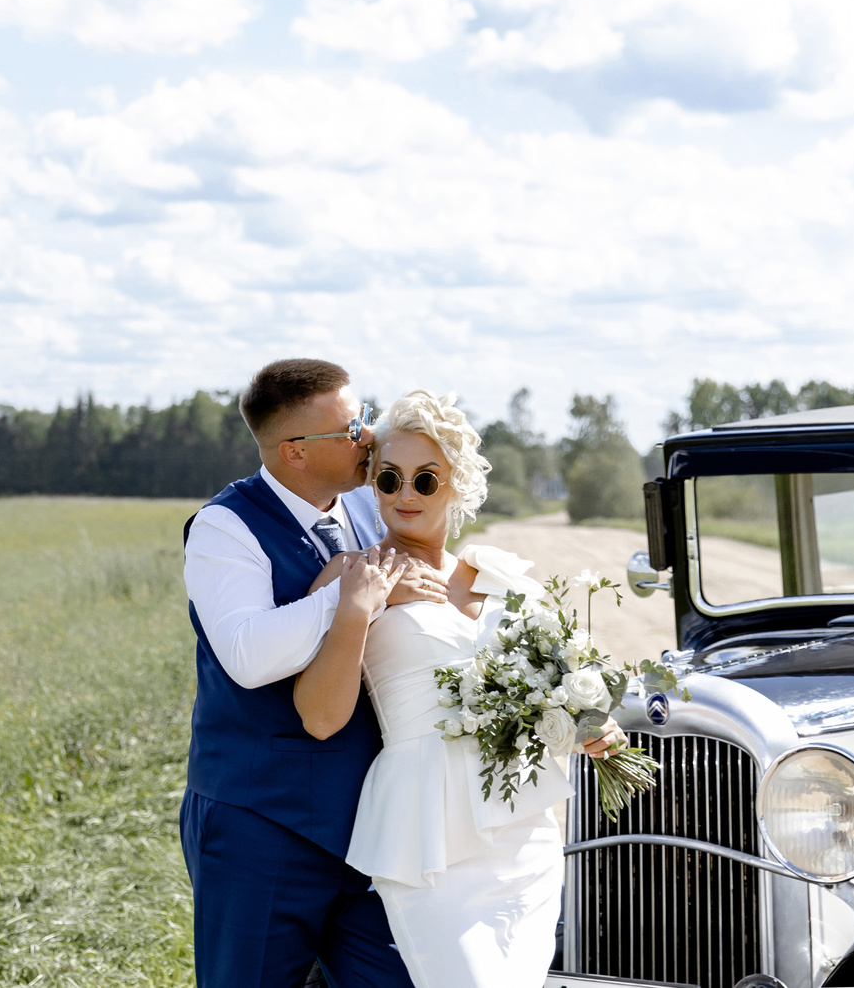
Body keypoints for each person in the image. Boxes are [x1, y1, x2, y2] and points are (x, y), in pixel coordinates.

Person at [293, 389, 626, 988]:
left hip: (522, 835)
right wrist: (356, 609)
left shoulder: (497, 575)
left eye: (425, 480)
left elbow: (557, 685)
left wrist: (591, 722)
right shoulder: (352, 575)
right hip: (427, 839)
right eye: (389, 478)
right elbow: (318, 718)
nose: (404, 495)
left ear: (457, 484)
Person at [179, 358, 445, 988]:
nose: (370, 437)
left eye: (367, 418)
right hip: (260, 827)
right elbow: (248, 656)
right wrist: (357, 594)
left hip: (365, 826)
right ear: (294, 452)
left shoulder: (361, 508)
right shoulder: (224, 527)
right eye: (354, 427)